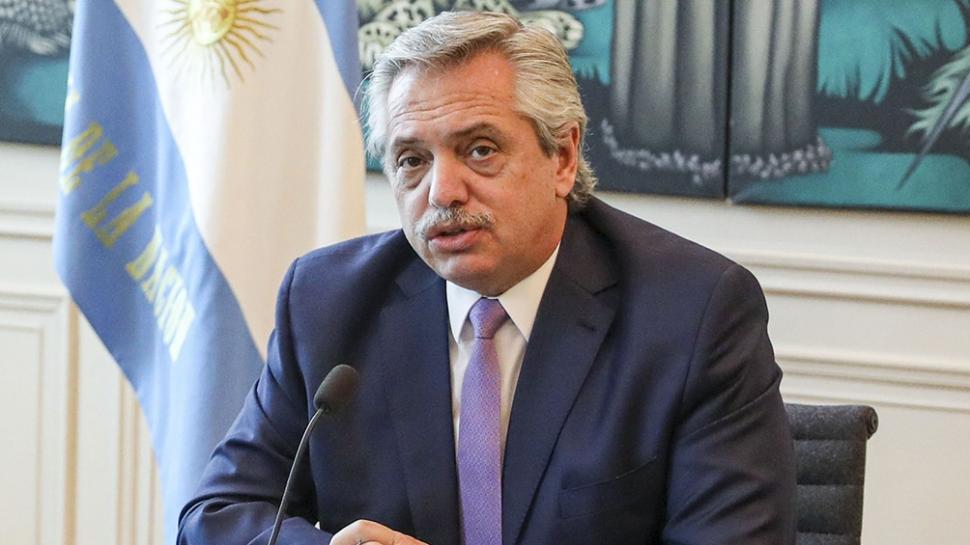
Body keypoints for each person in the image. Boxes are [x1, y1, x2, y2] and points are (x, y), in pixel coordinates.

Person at [178, 10, 795, 545]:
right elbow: (215, 517)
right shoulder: (328, 301)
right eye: (412, 160)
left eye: (479, 150)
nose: (442, 192)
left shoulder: (693, 313)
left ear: (563, 156)